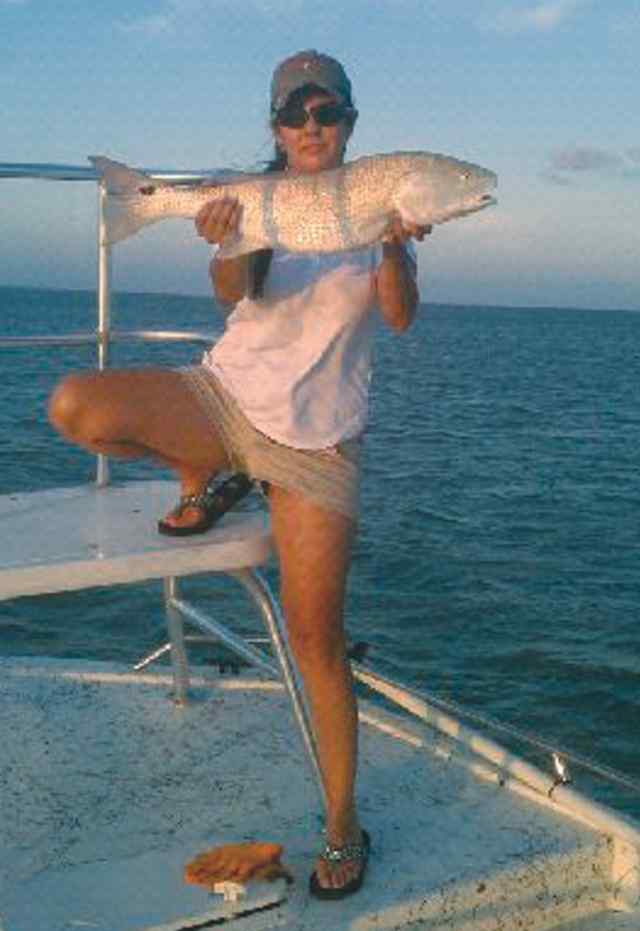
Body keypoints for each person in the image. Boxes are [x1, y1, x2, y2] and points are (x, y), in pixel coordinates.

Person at [48, 49, 430, 899]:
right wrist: (223, 234)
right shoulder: (260, 197)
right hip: (226, 400)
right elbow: (231, 293)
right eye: (295, 116)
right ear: (276, 128)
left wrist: (397, 250)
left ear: (349, 124)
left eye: (325, 114)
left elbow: (399, 319)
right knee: (76, 405)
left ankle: (341, 822)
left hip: (317, 441)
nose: (310, 129)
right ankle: (211, 469)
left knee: (313, 639)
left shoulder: (379, 202)